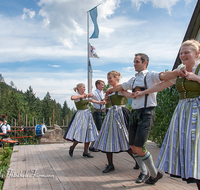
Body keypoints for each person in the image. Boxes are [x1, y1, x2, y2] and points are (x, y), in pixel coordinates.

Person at [132, 40, 200, 189]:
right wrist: (143, 92)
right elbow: (162, 84)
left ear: (196, 54)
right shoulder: (180, 69)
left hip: (197, 111)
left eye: (186, 52)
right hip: (183, 111)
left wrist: (197, 78)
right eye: (181, 52)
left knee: (197, 149)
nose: (183, 55)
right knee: (189, 150)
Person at [104, 53, 180, 184]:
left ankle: (155, 173)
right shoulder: (133, 80)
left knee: (139, 147)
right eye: (134, 61)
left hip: (147, 113)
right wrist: (109, 90)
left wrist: (178, 72)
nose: (134, 64)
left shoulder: (151, 76)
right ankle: (144, 172)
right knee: (133, 147)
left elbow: (164, 76)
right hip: (134, 113)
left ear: (145, 62)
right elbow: (121, 87)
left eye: (137, 61)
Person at [94, 71, 139, 173]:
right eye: (108, 78)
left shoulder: (121, 87)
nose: (108, 80)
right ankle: (110, 165)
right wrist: (106, 99)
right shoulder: (109, 90)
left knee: (125, 139)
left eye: (110, 78)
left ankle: (138, 161)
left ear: (116, 78)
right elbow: (108, 102)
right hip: (111, 114)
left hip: (120, 114)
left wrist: (134, 94)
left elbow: (127, 95)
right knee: (108, 138)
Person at [63, 83, 102, 158]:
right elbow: (72, 97)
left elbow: (91, 100)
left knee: (89, 133)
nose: (84, 88)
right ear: (79, 88)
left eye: (84, 87)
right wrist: (82, 96)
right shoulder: (77, 96)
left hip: (88, 115)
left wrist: (99, 102)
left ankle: (85, 152)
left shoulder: (85, 95)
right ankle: (72, 147)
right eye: (83, 87)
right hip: (81, 115)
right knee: (79, 133)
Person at [89, 80, 106, 152]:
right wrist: (99, 102)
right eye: (102, 84)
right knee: (98, 129)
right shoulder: (94, 92)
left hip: (103, 112)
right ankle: (92, 146)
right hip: (97, 112)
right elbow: (90, 99)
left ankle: (98, 145)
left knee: (102, 129)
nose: (103, 86)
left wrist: (105, 101)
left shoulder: (103, 92)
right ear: (97, 85)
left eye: (103, 84)